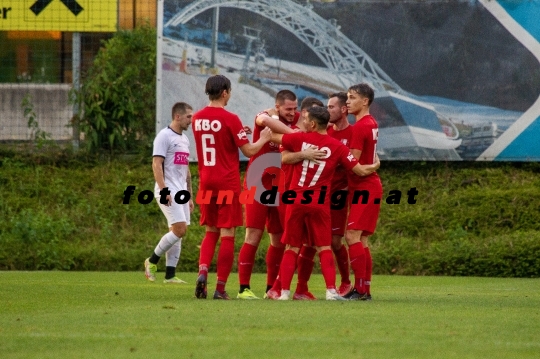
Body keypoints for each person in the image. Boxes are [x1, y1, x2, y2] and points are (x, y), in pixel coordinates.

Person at [266, 106, 379, 301]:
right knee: (324, 247)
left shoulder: (299, 139)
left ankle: (284, 292)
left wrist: (272, 119)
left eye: (306, 120)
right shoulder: (337, 146)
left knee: (292, 247)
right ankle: (331, 291)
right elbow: (359, 170)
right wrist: (375, 165)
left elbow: (273, 136)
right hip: (319, 202)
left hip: (296, 199)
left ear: (312, 123)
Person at [236, 92, 324, 299]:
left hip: (281, 185)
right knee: (253, 235)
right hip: (257, 180)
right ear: (277, 106)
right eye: (288, 109)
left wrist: (297, 136)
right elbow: (263, 119)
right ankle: (243, 288)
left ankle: (271, 288)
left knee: (279, 239)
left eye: (295, 109)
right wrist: (295, 136)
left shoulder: (296, 126)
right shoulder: (268, 117)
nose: (292, 113)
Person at [192, 75, 272, 300]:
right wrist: (264, 138)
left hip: (206, 179)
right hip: (226, 181)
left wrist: (240, 134)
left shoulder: (197, 118)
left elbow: (218, 140)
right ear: (225, 92)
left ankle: (202, 271)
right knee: (228, 233)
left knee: (210, 231)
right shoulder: (230, 118)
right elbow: (249, 151)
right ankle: (219, 288)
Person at [144, 102, 194, 284]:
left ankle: (170, 275)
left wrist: (190, 195)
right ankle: (151, 261)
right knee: (180, 230)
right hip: (168, 190)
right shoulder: (164, 136)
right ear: (178, 116)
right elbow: (156, 164)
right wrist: (164, 189)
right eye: (189, 116)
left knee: (177, 231)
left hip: (181, 191)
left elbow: (186, 169)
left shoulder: (185, 140)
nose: (191, 120)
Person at [343, 83, 383, 301]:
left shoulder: (360, 126)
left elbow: (353, 162)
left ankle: (359, 290)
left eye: (352, 97)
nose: (348, 101)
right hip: (368, 185)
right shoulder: (371, 122)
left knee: (352, 235)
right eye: (348, 97)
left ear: (365, 101)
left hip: (364, 186)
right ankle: (364, 289)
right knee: (362, 239)